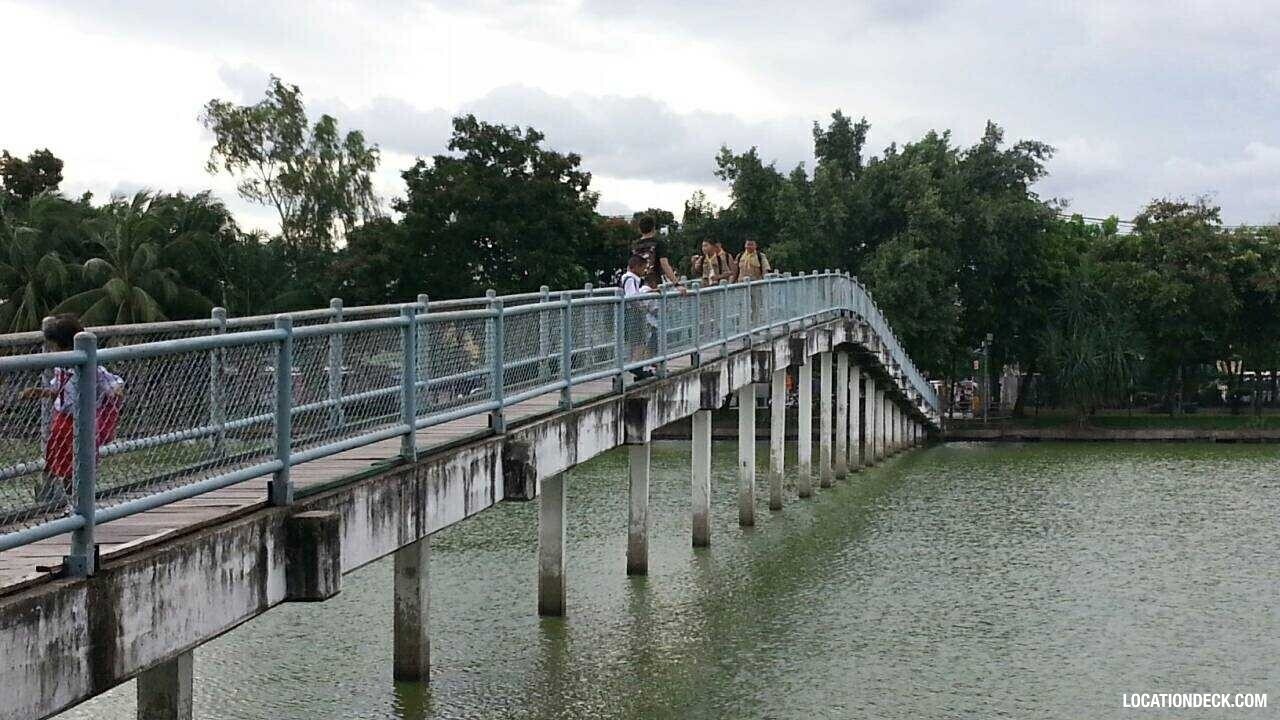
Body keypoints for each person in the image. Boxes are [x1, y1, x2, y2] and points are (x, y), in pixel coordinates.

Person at [19, 314, 125, 504]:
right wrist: (39, 392)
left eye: (55, 346)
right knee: (58, 463)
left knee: (76, 466)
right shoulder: (61, 367)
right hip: (62, 421)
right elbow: (58, 391)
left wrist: (116, 390)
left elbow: (111, 383)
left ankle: (79, 504)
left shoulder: (89, 366)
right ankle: (69, 501)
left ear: (66, 345)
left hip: (80, 421)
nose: (52, 350)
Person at [620, 254, 659, 380]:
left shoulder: (628, 278)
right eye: (643, 268)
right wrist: (641, 307)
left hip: (630, 313)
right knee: (640, 339)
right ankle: (636, 364)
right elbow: (632, 296)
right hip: (634, 313)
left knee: (636, 339)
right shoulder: (631, 279)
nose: (644, 271)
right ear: (636, 267)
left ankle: (636, 364)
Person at [633, 215, 687, 295]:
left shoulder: (635, 246)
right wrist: (676, 284)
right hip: (654, 285)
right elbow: (664, 264)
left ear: (640, 229)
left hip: (637, 285)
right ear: (653, 228)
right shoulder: (658, 243)